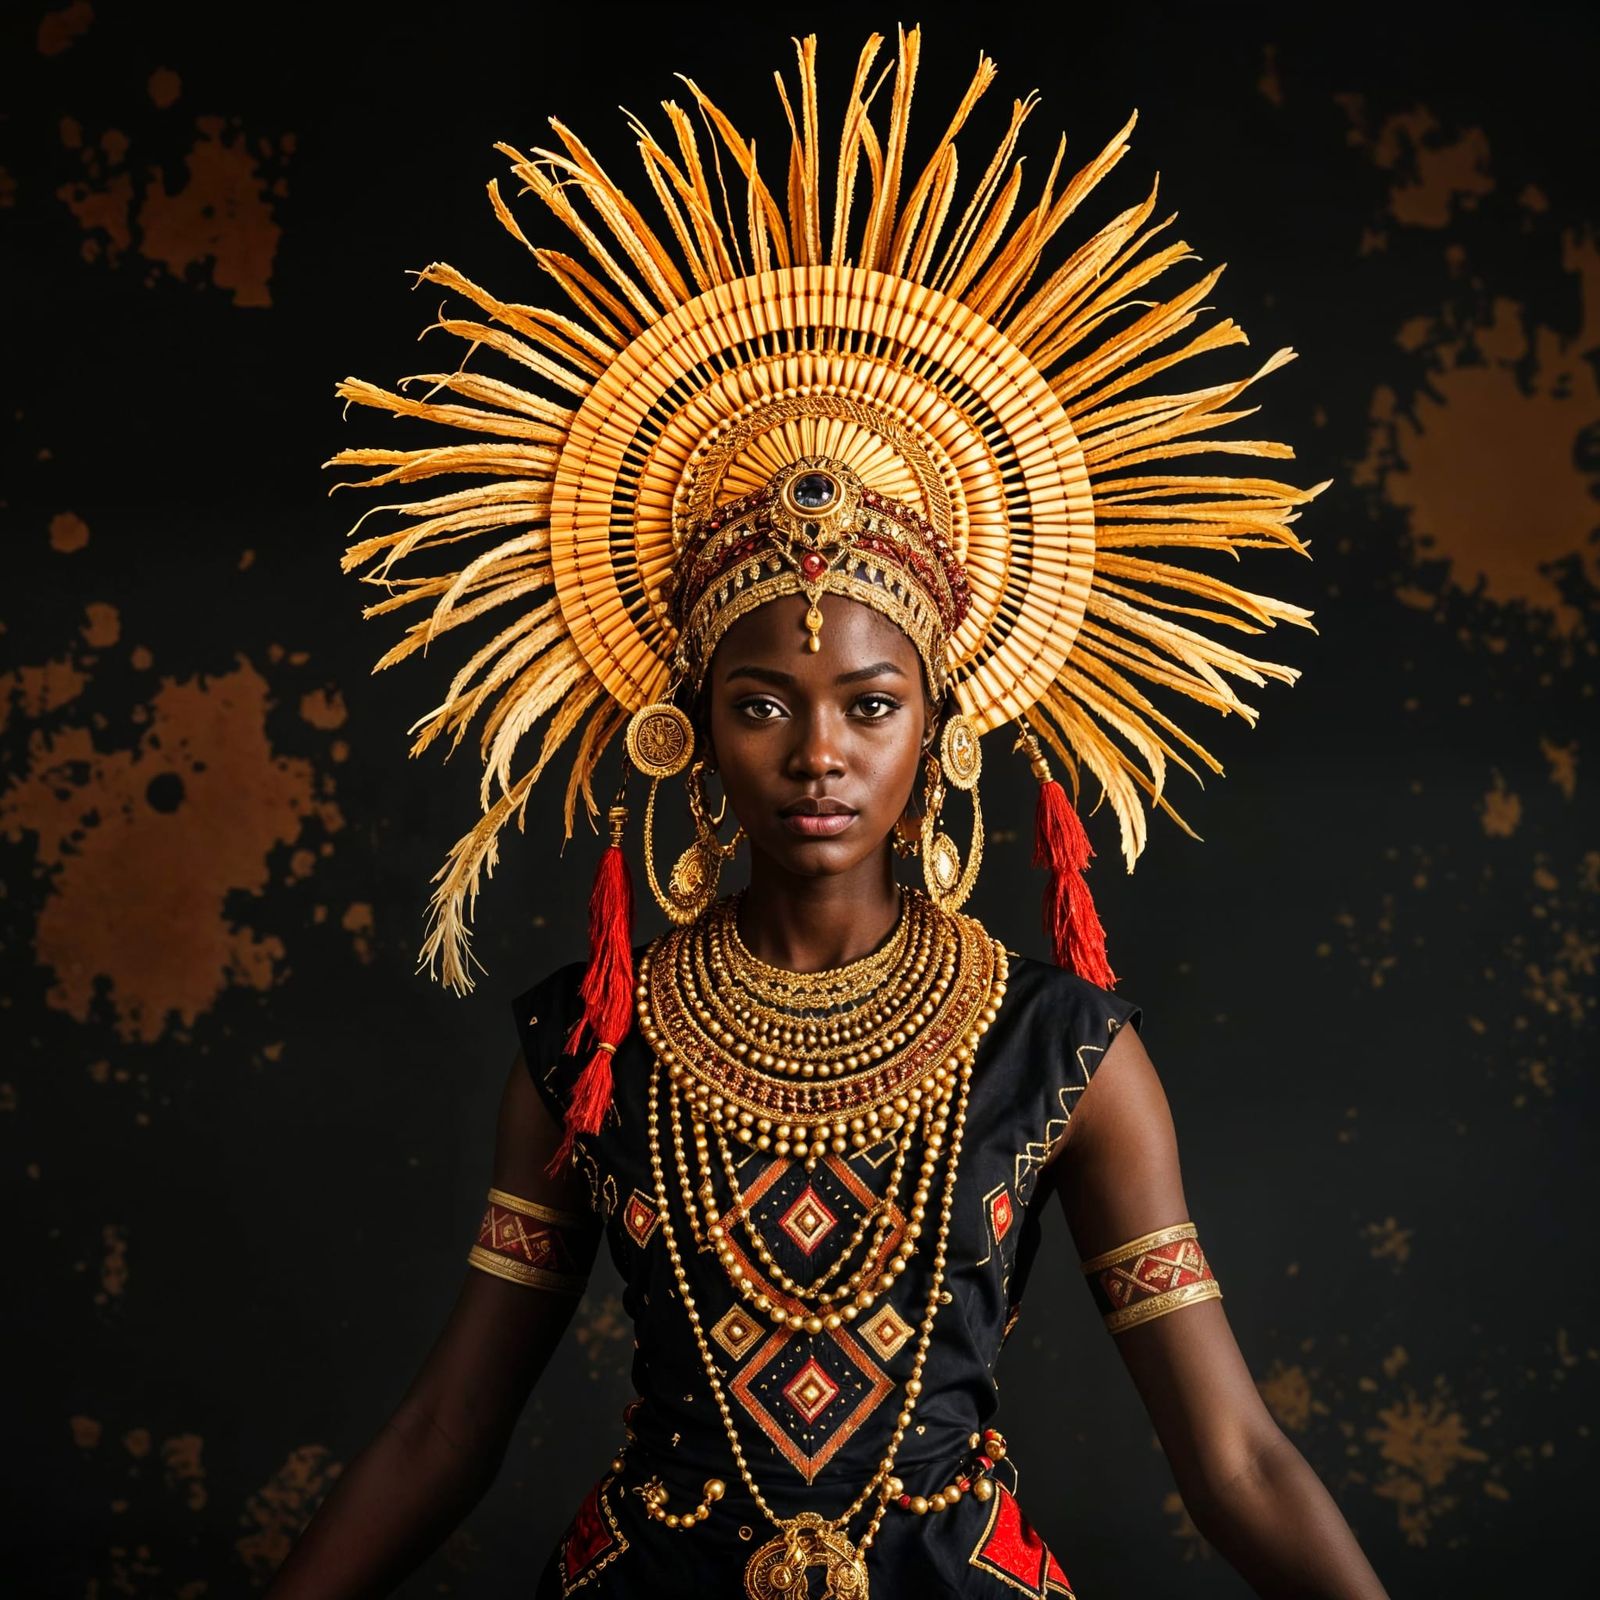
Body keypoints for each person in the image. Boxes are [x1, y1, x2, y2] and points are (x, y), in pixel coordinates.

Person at [273, 29, 1385, 1599]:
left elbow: (1236, 1458)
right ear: (689, 729)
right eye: (761, 703)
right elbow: (451, 1428)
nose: (819, 753)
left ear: (937, 725)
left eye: (870, 705)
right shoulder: (592, 1045)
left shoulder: (1066, 1052)